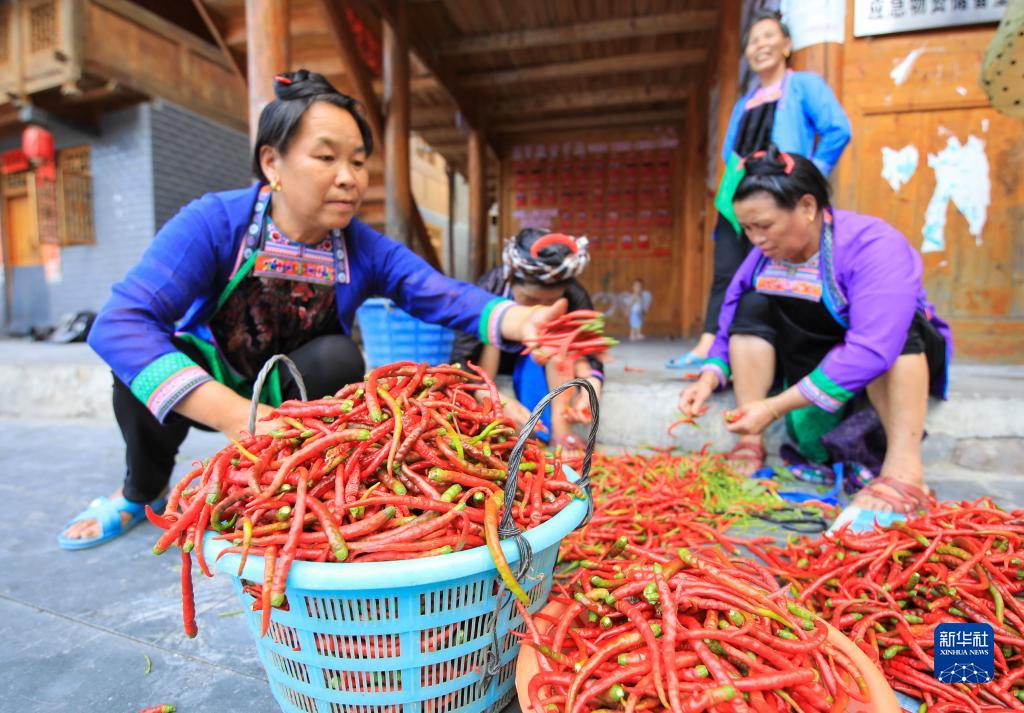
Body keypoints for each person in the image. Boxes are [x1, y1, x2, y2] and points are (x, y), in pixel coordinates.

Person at [59, 70, 567, 549]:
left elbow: (438, 291)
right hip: (208, 381)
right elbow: (118, 323)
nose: (349, 178)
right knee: (137, 365)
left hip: (292, 400)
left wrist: (522, 319)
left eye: (359, 162)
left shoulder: (361, 247)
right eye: (326, 158)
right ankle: (140, 492)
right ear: (272, 163)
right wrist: (234, 416)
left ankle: (294, 492)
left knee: (338, 356)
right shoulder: (215, 222)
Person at [677, 149, 952, 515]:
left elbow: (872, 349)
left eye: (764, 225)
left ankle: (905, 471)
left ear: (807, 206)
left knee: (900, 330)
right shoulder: (765, 255)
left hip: (887, 360)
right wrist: (709, 378)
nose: (756, 239)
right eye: (748, 229)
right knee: (752, 305)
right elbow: (731, 313)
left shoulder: (873, 245)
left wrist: (773, 407)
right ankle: (749, 437)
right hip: (811, 354)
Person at [667, 10, 851, 369]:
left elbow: (838, 130)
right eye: (753, 41)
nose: (759, 45)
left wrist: (806, 175)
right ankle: (709, 343)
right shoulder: (744, 102)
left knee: (778, 263)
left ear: (787, 45)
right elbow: (728, 152)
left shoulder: (804, 86)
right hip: (738, 195)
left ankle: (775, 347)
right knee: (727, 270)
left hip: (780, 193)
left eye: (768, 37)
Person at [450, 228, 604, 448]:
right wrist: (491, 396)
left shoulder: (574, 294)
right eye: (531, 299)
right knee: (490, 329)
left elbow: (589, 350)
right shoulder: (489, 287)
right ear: (512, 280)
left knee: (561, 337)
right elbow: (460, 360)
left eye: (551, 302)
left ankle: (561, 429)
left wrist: (591, 387)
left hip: (542, 356)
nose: (541, 310)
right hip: (496, 357)